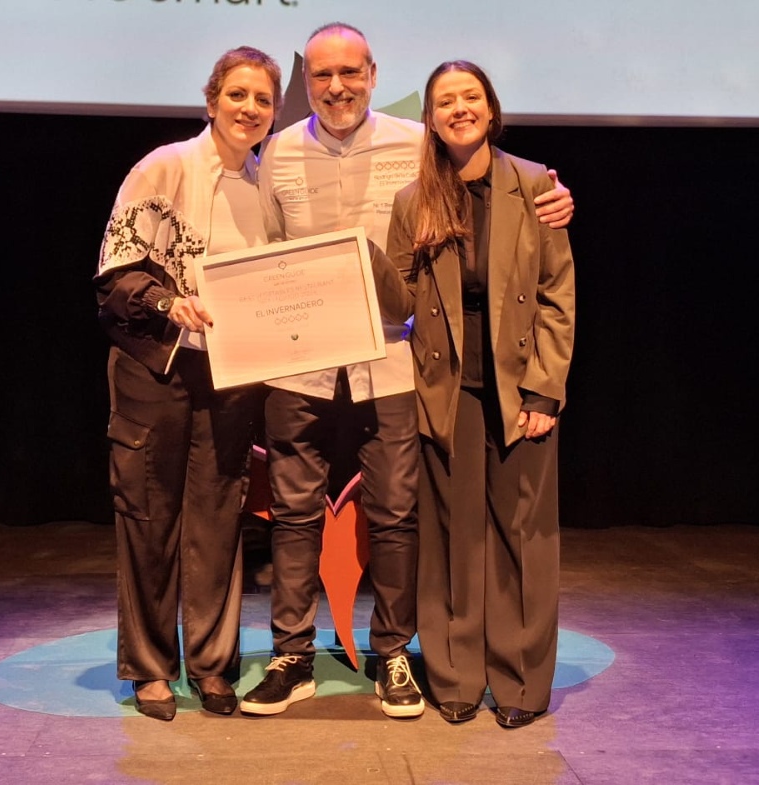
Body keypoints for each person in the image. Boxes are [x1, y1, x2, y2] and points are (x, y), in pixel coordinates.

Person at [241, 23, 574, 719]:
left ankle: (394, 652)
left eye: (351, 73)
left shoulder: (415, 147)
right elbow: (263, 253)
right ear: (309, 82)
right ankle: (291, 655)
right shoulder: (276, 154)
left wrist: (554, 198)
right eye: (324, 75)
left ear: (372, 73)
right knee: (294, 514)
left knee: (398, 517)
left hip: (393, 365)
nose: (337, 87)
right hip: (299, 368)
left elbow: (499, 200)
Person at [372, 60, 575, 729]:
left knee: (522, 538)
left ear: (490, 108)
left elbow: (556, 296)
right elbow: (396, 301)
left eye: (470, 97)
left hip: (521, 386)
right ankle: (455, 677)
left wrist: (545, 390)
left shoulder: (535, 185)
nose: (459, 108)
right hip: (447, 387)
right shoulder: (414, 201)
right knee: (453, 538)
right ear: (430, 118)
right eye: (444, 101)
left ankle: (519, 681)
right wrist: (383, 259)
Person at [95, 46, 282, 719]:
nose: (250, 109)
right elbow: (116, 278)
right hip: (156, 368)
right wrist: (168, 303)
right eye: (238, 94)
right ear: (211, 101)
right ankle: (148, 667)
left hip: (233, 374)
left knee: (217, 520)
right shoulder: (163, 166)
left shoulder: (269, 186)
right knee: (149, 517)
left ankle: (211, 665)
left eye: (263, 100)